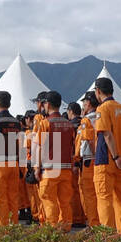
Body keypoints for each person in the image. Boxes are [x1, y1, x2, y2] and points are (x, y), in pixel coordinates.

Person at [92, 77, 121, 234]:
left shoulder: (102, 109)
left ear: (98, 91)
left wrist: (116, 156)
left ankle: (107, 235)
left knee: (104, 199)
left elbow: (107, 135)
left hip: (106, 159)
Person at [36, 91, 76, 231]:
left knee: (49, 200)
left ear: (48, 104)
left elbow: (40, 147)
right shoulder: (69, 124)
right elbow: (72, 146)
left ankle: (52, 229)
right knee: (65, 202)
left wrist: (36, 168)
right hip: (66, 169)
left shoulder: (45, 123)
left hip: (50, 170)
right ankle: (65, 227)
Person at [0, 91, 24, 226]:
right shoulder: (17, 122)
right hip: (14, 163)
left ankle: (4, 228)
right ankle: (14, 225)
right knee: (13, 197)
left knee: (2, 199)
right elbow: (21, 145)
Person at [75, 93, 100, 227]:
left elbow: (90, 140)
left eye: (84, 102)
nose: (83, 105)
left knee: (89, 195)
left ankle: (93, 224)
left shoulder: (87, 120)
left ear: (89, 103)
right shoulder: (102, 115)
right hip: (103, 159)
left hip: (91, 160)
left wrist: (96, 156)